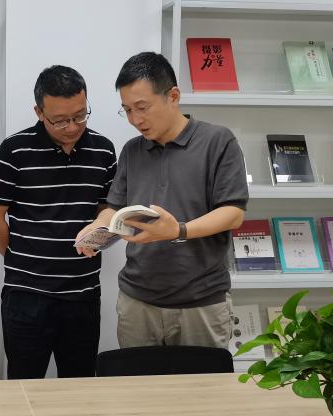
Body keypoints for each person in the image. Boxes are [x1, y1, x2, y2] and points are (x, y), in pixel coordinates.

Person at [77, 52, 248, 350]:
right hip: (137, 300)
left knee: (203, 382)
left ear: (173, 96)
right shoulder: (132, 150)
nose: (135, 120)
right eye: (127, 110)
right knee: (137, 381)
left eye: (142, 107)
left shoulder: (218, 141)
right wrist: (97, 227)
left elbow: (233, 213)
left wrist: (178, 230)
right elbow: (115, 207)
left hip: (201, 301)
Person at [0, 65, 117, 379]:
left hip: (83, 295)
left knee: (80, 383)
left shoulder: (104, 150)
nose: (72, 127)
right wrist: (23, 260)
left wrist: (100, 232)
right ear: (39, 112)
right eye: (60, 120)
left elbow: (108, 211)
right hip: (26, 296)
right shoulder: (13, 150)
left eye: (80, 115)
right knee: (24, 385)